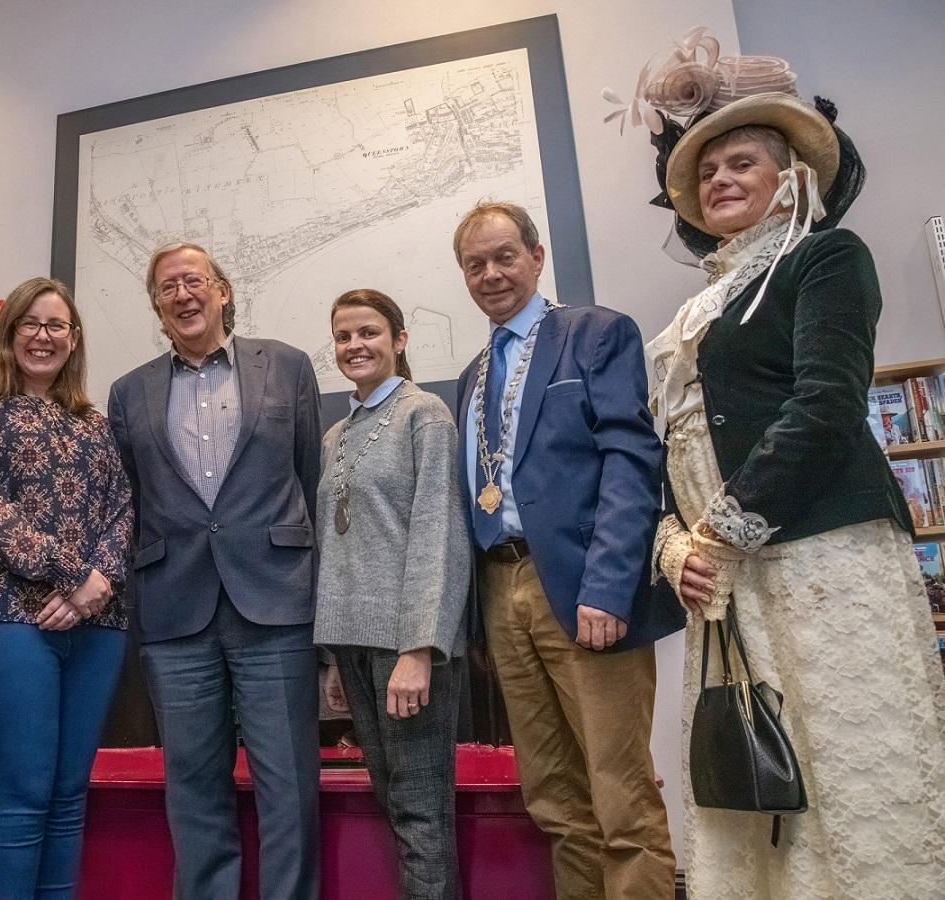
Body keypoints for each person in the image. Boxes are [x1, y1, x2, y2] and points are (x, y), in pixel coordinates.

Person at [620, 29, 945, 897]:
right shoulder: (697, 312)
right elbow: (673, 448)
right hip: (725, 583)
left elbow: (825, 408)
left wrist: (718, 536)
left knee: (843, 764)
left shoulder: (825, 259)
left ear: (789, 177)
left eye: (742, 163)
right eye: (708, 172)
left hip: (819, 562)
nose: (720, 180)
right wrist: (674, 547)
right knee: (757, 778)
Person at [454, 200, 681, 899]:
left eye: (504, 256)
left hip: (582, 586)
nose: (491, 274)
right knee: (554, 800)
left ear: (536, 256)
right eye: (475, 264)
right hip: (502, 590)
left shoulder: (595, 335)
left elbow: (631, 461)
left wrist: (609, 587)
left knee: (620, 799)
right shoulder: (471, 375)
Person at [107, 241, 322, 900]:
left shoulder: (286, 366)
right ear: (156, 306)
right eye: (167, 287)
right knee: (193, 794)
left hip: (277, 605)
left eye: (193, 280)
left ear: (223, 290)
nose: (182, 294)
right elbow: (130, 504)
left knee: (289, 791)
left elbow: (312, 481)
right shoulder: (128, 392)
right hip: (176, 612)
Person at [0, 276, 133, 899]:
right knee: (20, 800)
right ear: (8, 331)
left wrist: (97, 586)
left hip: (98, 626)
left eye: (57, 326)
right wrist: (76, 578)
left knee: (66, 799)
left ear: (73, 340)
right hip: (4, 618)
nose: (44, 336)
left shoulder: (94, 421)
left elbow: (122, 509)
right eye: (31, 322)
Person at [313, 289, 469, 898]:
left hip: (407, 648)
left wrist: (419, 648)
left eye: (369, 333)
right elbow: (337, 546)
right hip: (353, 644)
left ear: (399, 340)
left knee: (421, 814)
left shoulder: (424, 414)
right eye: (344, 337)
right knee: (394, 804)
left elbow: (439, 533)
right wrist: (332, 658)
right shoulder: (335, 437)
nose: (355, 346)